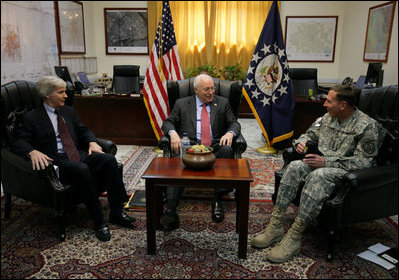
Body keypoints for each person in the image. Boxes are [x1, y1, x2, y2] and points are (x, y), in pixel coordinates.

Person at [252, 85, 385, 263]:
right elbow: (309, 135)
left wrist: (327, 162)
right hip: (322, 163)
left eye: (329, 101)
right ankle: (275, 226)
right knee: (294, 167)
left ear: (343, 105)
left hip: (345, 172)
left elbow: (364, 162)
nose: (324, 104)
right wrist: (301, 142)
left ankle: (295, 236)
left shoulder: (367, 127)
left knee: (318, 176)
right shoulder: (327, 118)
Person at [10, 76, 136, 242]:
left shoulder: (68, 111)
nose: (66, 95)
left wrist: (91, 141)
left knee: (109, 160)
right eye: (61, 92)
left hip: (77, 154)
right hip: (56, 160)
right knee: (81, 169)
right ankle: (98, 221)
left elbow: (83, 130)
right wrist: (32, 151)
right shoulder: (32, 117)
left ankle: (116, 211)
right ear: (48, 94)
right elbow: (17, 141)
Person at [160, 73, 241, 230]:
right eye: (206, 89)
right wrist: (173, 133)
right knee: (177, 156)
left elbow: (234, 123)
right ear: (196, 90)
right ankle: (170, 209)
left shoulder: (223, 103)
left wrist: (230, 133)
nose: (211, 92)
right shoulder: (182, 103)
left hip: (214, 147)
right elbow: (168, 122)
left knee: (226, 149)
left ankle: (217, 200)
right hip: (189, 147)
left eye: (212, 88)